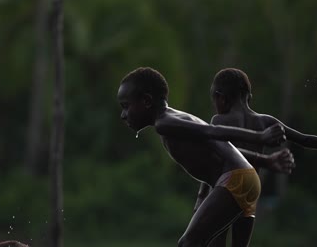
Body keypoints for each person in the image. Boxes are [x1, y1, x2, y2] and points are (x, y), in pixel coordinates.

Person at [117, 67, 286, 247]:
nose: (123, 115)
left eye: (126, 106)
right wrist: (265, 160)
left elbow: (213, 131)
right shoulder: (176, 118)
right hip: (243, 178)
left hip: (234, 180)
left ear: (146, 101)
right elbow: (223, 148)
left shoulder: (165, 123)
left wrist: (260, 137)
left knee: (188, 243)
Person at [197, 67, 317, 246]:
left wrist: (202, 195)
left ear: (221, 97)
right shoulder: (264, 121)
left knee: (215, 242)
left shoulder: (219, 121)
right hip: (251, 190)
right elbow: (306, 139)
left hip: (225, 188)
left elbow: (212, 157)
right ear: (249, 96)